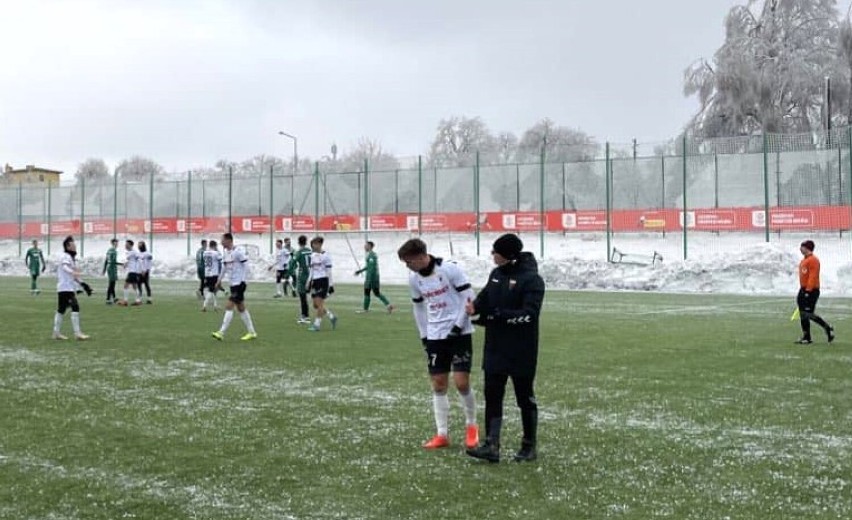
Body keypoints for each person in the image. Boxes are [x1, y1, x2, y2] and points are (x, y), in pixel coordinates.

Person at [465, 233, 545, 463]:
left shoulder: (532, 280)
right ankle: (491, 445)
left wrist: (496, 316)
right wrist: (475, 307)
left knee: (524, 397)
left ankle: (529, 446)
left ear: (508, 255)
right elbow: (485, 297)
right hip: (495, 348)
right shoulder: (497, 274)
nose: (492, 254)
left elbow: (529, 316)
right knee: (492, 395)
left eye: (495, 251)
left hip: (522, 350)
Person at [397, 238, 479, 450]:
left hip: (460, 333)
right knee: (438, 384)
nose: (408, 266)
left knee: (461, 383)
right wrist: (424, 335)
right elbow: (419, 308)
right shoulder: (415, 279)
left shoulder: (449, 269)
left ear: (421, 257)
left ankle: (472, 427)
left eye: (409, 262)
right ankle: (442, 434)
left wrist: (458, 326)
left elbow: (469, 297)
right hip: (435, 335)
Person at [211, 233, 258, 341]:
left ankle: (221, 332)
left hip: (239, 284)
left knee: (229, 306)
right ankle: (252, 332)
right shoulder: (226, 253)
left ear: (228, 240)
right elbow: (224, 268)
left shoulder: (238, 251)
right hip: (233, 284)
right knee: (241, 308)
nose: (221, 242)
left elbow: (246, 265)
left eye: (222, 240)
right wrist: (219, 280)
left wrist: (244, 280)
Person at [795, 240, 835, 345]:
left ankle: (827, 328)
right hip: (803, 289)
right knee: (803, 314)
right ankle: (806, 337)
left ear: (807, 248)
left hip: (811, 290)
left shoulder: (813, 260)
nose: (800, 249)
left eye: (802, 246)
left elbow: (813, 276)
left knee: (807, 313)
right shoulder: (805, 260)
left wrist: (808, 291)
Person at [52, 235, 91, 340]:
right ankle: (77, 333)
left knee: (61, 310)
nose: (75, 246)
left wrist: (83, 284)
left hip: (65, 288)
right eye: (73, 244)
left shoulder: (71, 258)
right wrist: (73, 271)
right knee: (75, 306)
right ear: (68, 246)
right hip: (65, 288)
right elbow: (65, 267)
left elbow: (73, 276)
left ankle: (56, 333)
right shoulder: (65, 256)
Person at [305, 236, 337, 332]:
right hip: (315, 282)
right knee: (316, 305)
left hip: (323, 281)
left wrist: (331, 285)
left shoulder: (326, 256)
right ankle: (331, 316)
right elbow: (311, 269)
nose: (313, 246)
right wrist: (308, 281)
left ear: (319, 244)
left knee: (319, 303)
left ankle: (317, 325)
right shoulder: (313, 255)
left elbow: (329, 271)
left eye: (314, 244)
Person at [354, 240, 394, 314]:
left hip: (371, 277)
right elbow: (368, 266)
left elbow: (371, 268)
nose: (364, 246)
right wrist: (360, 271)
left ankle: (365, 310)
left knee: (367, 292)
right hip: (374, 277)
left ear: (369, 246)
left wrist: (369, 279)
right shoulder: (371, 254)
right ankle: (388, 305)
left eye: (366, 245)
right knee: (376, 293)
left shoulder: (371, 255)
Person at [290, 235, 312, 323]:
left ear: (298, 242)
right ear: (306, 242)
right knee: (315, 298)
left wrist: (288, 272)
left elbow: (292, 263)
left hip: (303, 276)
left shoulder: (299, 252)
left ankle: (304, 316)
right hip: (312, 275)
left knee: (303, 297)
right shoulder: (310, 251)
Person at [117, 239, 143, 306]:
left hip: (133, 271)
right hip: (132, 271)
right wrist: (126, 263)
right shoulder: (129, 252)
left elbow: (140, 259)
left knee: (126, 285)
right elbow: (132, 260)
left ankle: (125, 302)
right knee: (134, 286)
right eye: (125, 244)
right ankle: (138, 301)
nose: (125, 246)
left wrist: (141, 269)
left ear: (130, 245)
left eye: (127, 244)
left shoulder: (134, 252)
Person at [202, 240, 223, 312]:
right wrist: (218, 251)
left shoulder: (204, 253)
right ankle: (204, 305)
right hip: (214, 273)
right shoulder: (216, 253)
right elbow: (221, 259)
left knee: (213, 290)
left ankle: (215, 306)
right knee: (212, 290)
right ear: (214, 246)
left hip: (207, 273)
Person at [103, 238, 120, 304]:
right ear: (113, 243)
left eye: (117, 242)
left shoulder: (109, 250)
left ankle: (114, 298)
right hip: (112, 267)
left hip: (109, 267)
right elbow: (113, 261)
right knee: (111, 284)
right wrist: (122, 264)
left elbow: (106, 260)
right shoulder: (114, 251)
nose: (117, 244)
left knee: (112, 283)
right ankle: (108, 299)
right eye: (116, 242)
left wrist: (104, 269)